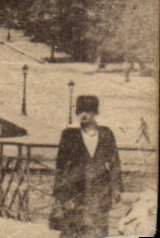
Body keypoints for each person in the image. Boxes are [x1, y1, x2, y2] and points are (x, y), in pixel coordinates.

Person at [52, 95, 122, 238]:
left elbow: (115, 162)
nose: (84, 115)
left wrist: (116, 188)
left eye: (88, 111)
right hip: (74, 192)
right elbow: (60, 165)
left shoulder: (106, 134)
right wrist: (59, 192)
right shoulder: (69, 135)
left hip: (99, 191)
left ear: (94, 113)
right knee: (72, 231)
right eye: (81, 111)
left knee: (98, 231)